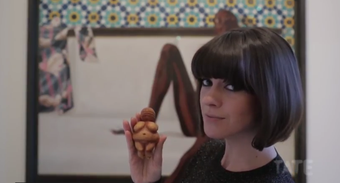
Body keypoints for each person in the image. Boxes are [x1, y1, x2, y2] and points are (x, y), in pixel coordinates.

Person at [122, 27, 304, 183]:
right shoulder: (209, 152)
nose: (208, 98)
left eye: (231, 86)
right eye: (207, 82)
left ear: (269, 97)